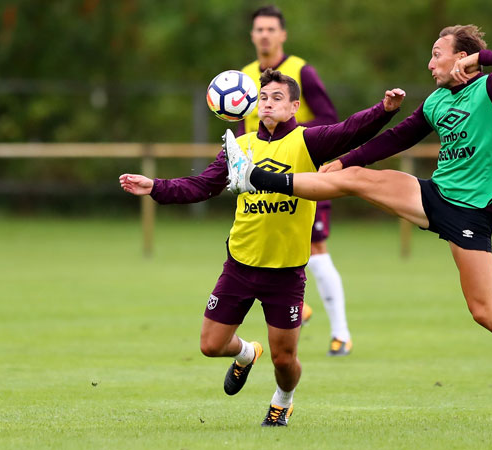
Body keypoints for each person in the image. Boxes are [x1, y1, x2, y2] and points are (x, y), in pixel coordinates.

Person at [226, 25, 492, 429]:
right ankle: (254, 177)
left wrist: (481, 59)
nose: (430, 63)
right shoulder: (438, 101)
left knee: (485, 311)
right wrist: (345, 159)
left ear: (461, 57)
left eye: (438, 53)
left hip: (471, 213)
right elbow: (396, 139)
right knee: (355, 178)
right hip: (434, 196)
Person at [120, 69, 405, 427]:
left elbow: (349, 130)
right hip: (240, 263)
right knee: (210, 345)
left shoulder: (308, 142)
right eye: (264, 98)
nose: (268, 104)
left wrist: (384, 109)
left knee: (284, 361)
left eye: (276, 98)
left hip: (285, 272)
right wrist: (156, 186)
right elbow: (202, 185)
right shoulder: (240, 146)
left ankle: (283, 400)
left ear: (294, 106)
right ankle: (245, 354)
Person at [241, 5, 352, 356]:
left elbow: (329, 117)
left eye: (271, 29)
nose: (264, 35)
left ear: (282, 35)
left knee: (316, 249)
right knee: (255, 246)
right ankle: (299, 308)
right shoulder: (243, 78)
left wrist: (293, 141)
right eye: (259, 29)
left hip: (301, 173)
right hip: (257, 181)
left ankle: (341, 333)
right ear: (252, 35)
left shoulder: (300, 70)